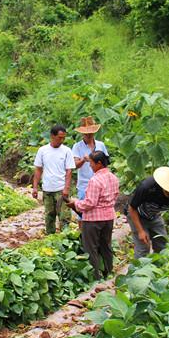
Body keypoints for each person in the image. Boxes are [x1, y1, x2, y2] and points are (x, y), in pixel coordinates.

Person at [66, 151, 118, 279]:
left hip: (94, 219)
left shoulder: (95, 180)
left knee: (91, 248)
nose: (90, 166)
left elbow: (90, 203)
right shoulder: (113, 177)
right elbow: (115, 197)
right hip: (108, 217)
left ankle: (95, 277)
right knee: (106, 246)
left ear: (99, 163)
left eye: (91, 163)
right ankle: (108, 272)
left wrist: (76, 203)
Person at [126, 165, 169, 258]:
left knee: (163, 246)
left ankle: (159, 269)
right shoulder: (148, 186)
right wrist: (140, 231)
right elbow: (132, 208)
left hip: (154, 216)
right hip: (137, 214)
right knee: (143, 248)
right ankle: (137, 271)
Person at [32, 125, 75, 235]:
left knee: (64, 216)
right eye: (59, 137)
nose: (62, 140)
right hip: (47, 189)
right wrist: (35, 187)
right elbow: (38, 169)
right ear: (52, 136)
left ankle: (66, 238)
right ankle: (50, 238)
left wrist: (66, 188)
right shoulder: (43, 150)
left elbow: (69, 171)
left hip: (61, 189)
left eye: (63, 138)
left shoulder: (66, 151)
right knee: (49, 215)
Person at [71, 117, 108, 200]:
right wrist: (83, 160)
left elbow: (106, 164)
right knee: (83, 211)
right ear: (82, 133)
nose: (88, 135)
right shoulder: (77, 147)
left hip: (101, 184)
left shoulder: (100, 145)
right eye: (85, 133)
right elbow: (74, 165)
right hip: (84, 186)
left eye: (90, 133)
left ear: (94, 133)